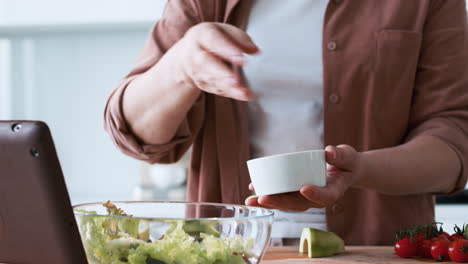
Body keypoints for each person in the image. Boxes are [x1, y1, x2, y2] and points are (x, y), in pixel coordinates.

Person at [104, 0, 468, 245]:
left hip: (376, 248)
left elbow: (454, 144)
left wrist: (359, 169)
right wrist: (180, 68)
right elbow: (133, 134)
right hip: (229, 248)